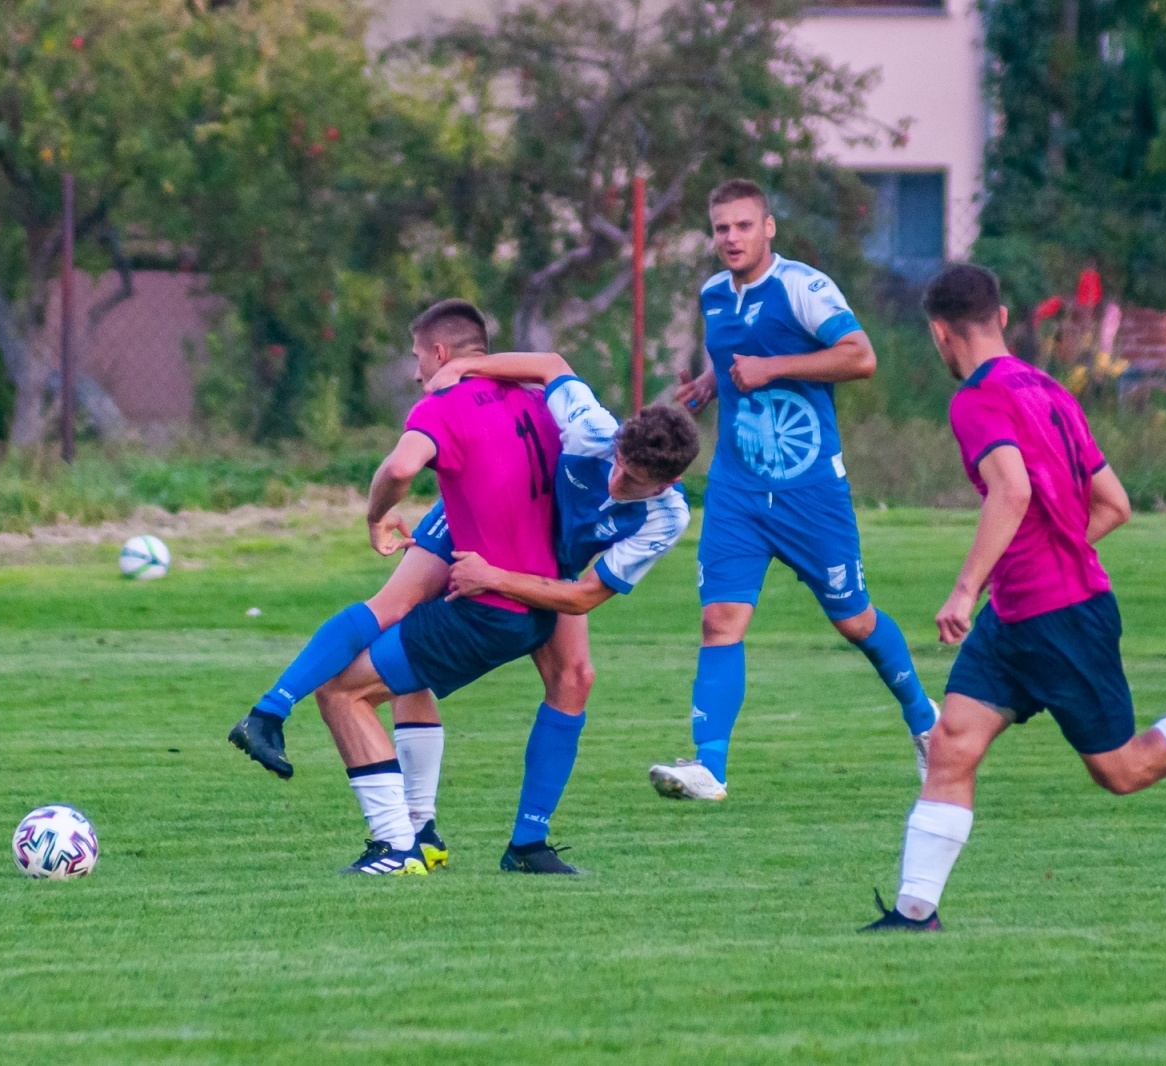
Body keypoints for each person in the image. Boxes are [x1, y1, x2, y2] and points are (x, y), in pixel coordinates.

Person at [864, 263, 1166, 932]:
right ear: (1001, 318)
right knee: (952, 743)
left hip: (1059, 618)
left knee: (1121, 770)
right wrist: (1046, 557)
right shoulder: (1054, 392)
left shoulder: (973, 399)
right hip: (1017, 616)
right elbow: (1114, 504)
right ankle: (915, 914)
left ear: (941, 334)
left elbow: (1012, 490)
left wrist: (965, 588)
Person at [234, 297, 564, 875]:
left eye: (417, 357)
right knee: (401, 650)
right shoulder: (538, 402)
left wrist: (374, 513)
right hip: (537, 600)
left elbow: (400, 468)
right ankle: (422, 828)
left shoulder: (443, 404)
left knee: (341, 692)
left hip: (486, 606)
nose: (416, 372)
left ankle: (393, 847)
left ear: (440, 354)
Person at [648, 178, 939, 803]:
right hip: (737, 490)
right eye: (722, 228)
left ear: (768, 227)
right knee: (719, 618)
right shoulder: (712, 296)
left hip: (810, 491)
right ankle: (710, 767)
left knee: (855, 620)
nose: (731, 238)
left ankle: (925, 722)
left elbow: (860, 358)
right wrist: (706, 385)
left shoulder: (803, 287)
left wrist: (773, 369)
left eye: (743, 226)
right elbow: (735, 357)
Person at [398, 351, 699, 872]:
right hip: (485, 518)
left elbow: (583, 596)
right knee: (400, 637)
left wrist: (493, 579)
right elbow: (552, 363)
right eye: (620, 463)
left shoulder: (667, 517)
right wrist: (465, 370)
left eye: (633, 481)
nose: (616, 479)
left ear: (666, 484)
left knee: (575, 677)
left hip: (543, 563)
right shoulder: (593, 429)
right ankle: (416, 829)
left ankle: (527, 845)